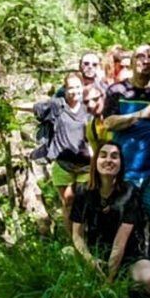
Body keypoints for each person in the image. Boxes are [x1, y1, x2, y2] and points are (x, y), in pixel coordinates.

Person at [103, 44, 150, 291]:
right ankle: (121, 282)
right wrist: (140, 115)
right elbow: (108, 122)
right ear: (131, 62)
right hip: (127, 174)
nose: (146, 61)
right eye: (140, 56)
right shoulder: (118, 90)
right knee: (124, 231)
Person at [71, 142, 150, 294]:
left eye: (115, 156)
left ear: (121, 163)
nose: (109, 160)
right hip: (96, 257)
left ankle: (121, 289)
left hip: (128, 257)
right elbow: (76, 235)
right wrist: (89, 260)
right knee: (65, 258)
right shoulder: (83, 192)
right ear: (95, 162)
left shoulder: (130, 192)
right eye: (103, 155)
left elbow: (120, 244)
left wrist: (109, 282)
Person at [28, 72, 91, 230]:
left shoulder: (89, 106)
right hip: (63, 164)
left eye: (77, 87)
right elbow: (36, 107)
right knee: (68, 203)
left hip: (87, 165)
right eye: (70, 87)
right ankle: (74, 243)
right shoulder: (57, 105)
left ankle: (88, 241)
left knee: (86, 203)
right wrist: (7, 104)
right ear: (65, 88)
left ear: (82, 87)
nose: (74, 91)